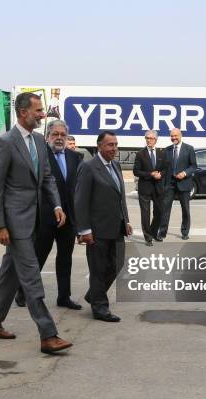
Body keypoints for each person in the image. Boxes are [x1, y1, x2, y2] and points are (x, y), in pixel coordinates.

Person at [0, 92, 72, 354]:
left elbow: (47, 178)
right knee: (31, 278)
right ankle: (48, 334)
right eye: (38, 110)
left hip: (35, 220)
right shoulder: (6, 143)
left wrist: (56, 205)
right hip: (14, 223)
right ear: (23, 113)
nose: (43, 114)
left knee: (9, 275)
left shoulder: (40, 141)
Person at [14, 120, 83, 310]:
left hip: (68, 219)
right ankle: (23, 292)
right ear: (47, 136)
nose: (59, 138)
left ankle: (64, 297)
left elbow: (76, 190)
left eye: (63, 135)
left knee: (65, 259)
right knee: (37, 258)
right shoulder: (39, 155)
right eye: (55, 134)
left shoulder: (75, 157)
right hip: (44, 217)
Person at [75, 131, 132, 322]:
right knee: (98, 269)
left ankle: (94, 294)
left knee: (118, 263)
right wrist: (84, 230)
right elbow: (81, 201)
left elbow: (120, 196)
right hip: (97, 230)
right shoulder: (89, 167)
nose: (114, 148)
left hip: (117, 227)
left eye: (116, 144)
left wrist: (126, 220)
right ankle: (100, 308)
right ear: (99, 146)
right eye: (110, 145)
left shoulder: (115, 165)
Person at [159, 128, 196, 240]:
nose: (173, 138)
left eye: (176, 136)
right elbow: (164, 168)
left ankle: (185, 232)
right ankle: (162, 232)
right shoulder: (167, 150)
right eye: (172, 136)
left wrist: (184, 173)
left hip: (184, 184)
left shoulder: (189, 149)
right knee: (165, 210)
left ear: (181, 135)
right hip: (169, 185)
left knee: (185, 209)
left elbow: (193, 166)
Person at [133, 130, 167, 246]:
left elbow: (165, 169)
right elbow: (136, 171)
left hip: (158, 188)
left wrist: (160, 174)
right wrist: (150, 174)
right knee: (145, 214)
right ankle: (148, 238)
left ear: (156, 140)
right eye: (147, 138)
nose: (149, 140)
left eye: (151, 138)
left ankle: (153, 232)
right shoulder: (140, 154)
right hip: (145, 188)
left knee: (160, 211)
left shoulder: (162, 153)